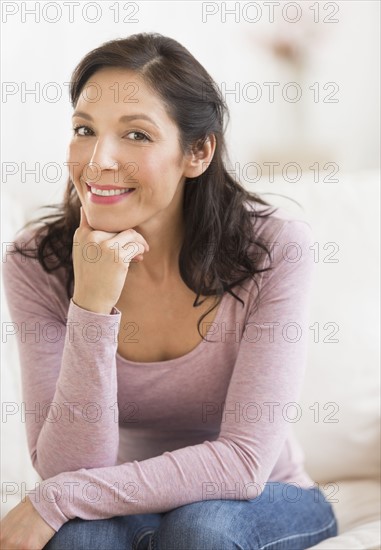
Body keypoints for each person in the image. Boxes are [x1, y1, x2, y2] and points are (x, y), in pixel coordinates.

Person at [1, 33, 338, 550]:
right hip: (119, 504)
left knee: (200, 530)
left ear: (198, 152)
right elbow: (67, 469)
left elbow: (245, 462)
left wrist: (56, 500)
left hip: (265, 498)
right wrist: (91, 305)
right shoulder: (37, 263)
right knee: (77, 543)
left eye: (136, 135)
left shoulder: (274, 248)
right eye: (85, 130)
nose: (99, 161)